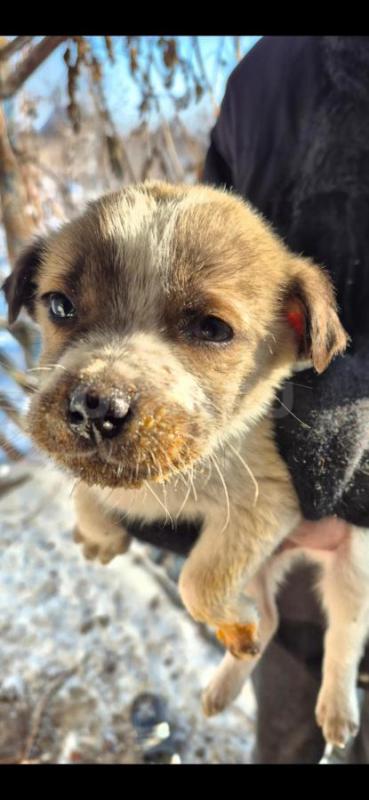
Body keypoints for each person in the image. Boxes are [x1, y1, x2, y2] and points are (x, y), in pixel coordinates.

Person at [202, 35, 369, 763]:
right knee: (293, 695)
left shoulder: (254, 72)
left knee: (303, 698)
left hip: (281, 464)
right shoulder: (258, 77)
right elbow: (202, 282)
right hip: (272, 469)